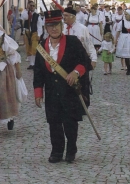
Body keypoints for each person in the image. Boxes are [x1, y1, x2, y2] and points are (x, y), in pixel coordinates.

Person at [33, 10, 92, 163]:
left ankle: (71, 150)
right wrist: (38, 92)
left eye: (57, 25)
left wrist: (75, 73)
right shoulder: (41, 46)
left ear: (62, 26)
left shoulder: (72, 42)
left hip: (69, 89)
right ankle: (57, 151)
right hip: (52, 90)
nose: (54, 29)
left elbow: (84, 61)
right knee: (54, 122)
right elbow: (38, 71)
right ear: (46, 28)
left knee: (70, 122)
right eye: (51, 26)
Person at [62, 7, 96, 107]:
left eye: (66, 15)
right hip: (65, 61)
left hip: (80, 60)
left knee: (82, 84)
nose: (64, 17)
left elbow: (89, 44)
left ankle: (84, 104)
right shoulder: (62, 28)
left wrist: (93, 59)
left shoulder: (82, 29)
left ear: (73, 17)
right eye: (63, 15)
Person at [115, 10, 130, 75]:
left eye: (126, 14)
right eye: (125, 14)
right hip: (124, 39)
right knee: (126, 54)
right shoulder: (122, 22)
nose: (125, 16)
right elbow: (118, 31)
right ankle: (129, 69)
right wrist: (116, 39)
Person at [21, 1, 43, 69]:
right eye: (31, 5)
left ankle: (35, 63)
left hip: (34, 32)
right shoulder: (26, 13)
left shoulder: (37, 15)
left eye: (33, 6)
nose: (32, 7)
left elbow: (39, 25)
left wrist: (39, 34)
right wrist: (27, 9)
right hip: (27, 32)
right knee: (28, 48)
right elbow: (23, 17)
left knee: (34, 48)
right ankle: (31, 64)